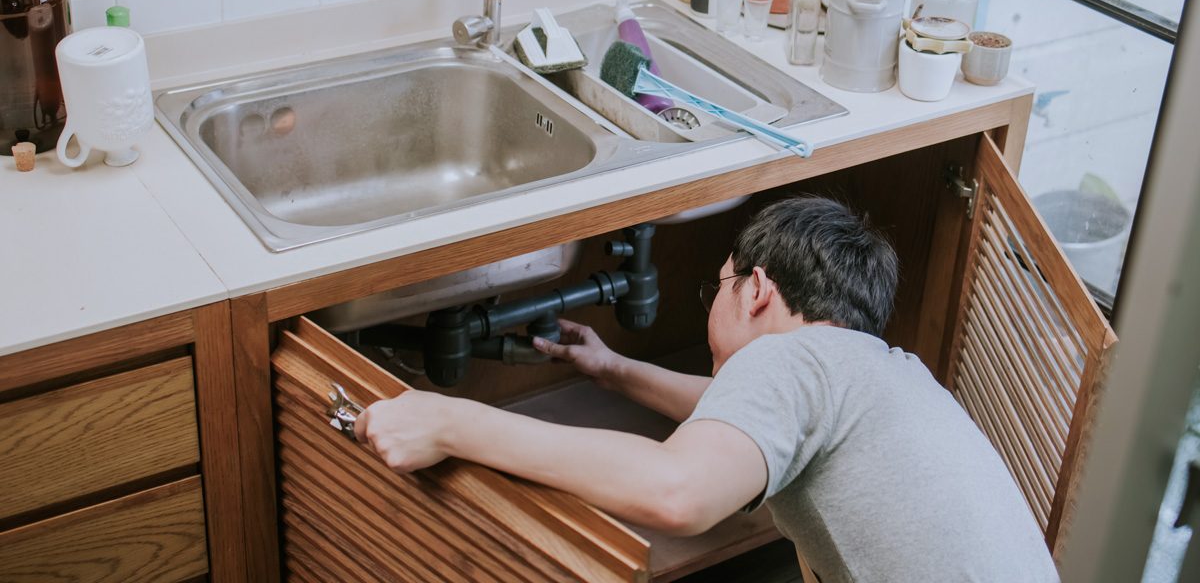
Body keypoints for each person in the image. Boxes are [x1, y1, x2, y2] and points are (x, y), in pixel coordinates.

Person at [356, 196, 1058, 582]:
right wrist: (615, 369)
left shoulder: (795, 362)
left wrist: (451, 421)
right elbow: (748, 430)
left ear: (756, 289)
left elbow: (679, 493)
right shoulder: (881, 373)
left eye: (714, 285)